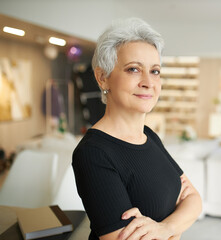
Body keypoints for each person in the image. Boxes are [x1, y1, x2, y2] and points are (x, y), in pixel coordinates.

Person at [72, 18, 202, 240]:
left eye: (155, 71)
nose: (148, 82)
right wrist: (178, 224)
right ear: (102, 78)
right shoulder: (93, 153)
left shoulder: (148, 136)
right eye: (134, 69)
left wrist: (165, 229)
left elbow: (195, 200)